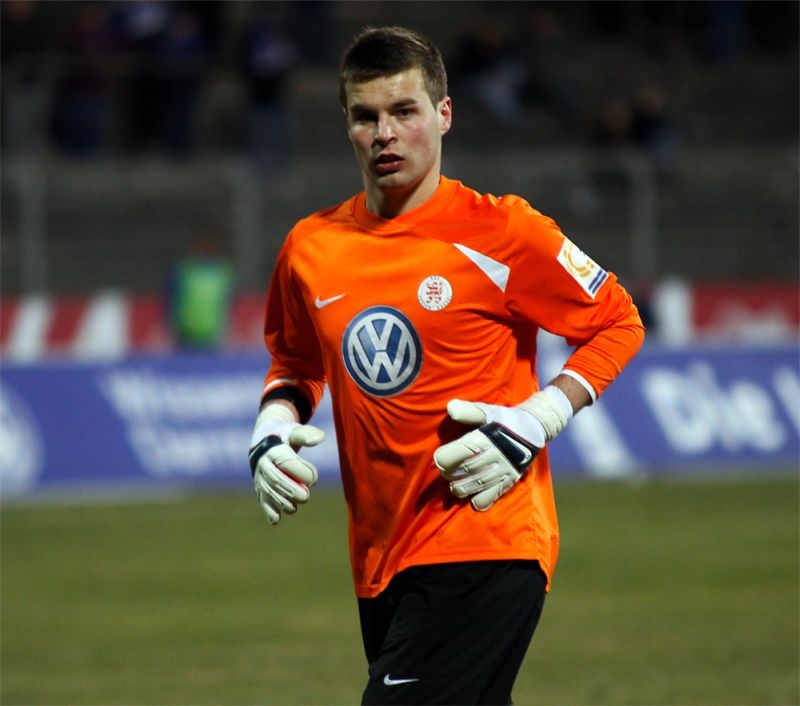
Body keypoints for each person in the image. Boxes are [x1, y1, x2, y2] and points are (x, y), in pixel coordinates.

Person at [249, 26, 645, 705]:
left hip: (487, 535)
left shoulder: (504, 231)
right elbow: (295, 360)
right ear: (346, 124)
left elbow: (619, 321)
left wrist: (540, 418)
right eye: (366, 116)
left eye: (404, 111)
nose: (385, 134)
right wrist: (271, 425)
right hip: (381, 555)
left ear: (444, 114)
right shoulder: (310, 248)